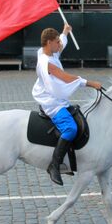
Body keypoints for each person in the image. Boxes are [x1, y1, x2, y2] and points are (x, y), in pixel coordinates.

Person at [32, 24, 102, 185]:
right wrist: (90, 83)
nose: (59, 44)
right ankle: (54, 165)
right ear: (49, 42)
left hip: (54, 96)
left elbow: (61, 46)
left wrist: (65, 33)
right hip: (51, 102)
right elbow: (65, 78)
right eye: (56, 42)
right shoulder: (48, 63)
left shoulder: (45, 51)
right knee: (71, 128)